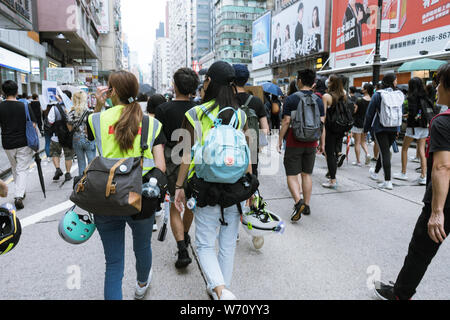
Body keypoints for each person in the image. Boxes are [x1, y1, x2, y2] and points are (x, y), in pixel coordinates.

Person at [87, 70, 166, 300]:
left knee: (113, 264)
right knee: (142, 248)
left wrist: (98, 106)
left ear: (111, 92)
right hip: (139, 197)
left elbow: (91, 138)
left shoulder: (97, 119)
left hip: (106, 196)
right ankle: (142, 285)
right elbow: (160, 166)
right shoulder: (151, 123)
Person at [174, 61, 250, 300]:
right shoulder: (240, 115)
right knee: (228, 243)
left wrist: (179, 186)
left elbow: (186, 154)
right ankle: (221, 290)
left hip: (205, 186)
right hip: (235, 186)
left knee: (205, 243)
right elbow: (249, 152)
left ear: (209, 82)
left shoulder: (195, 113)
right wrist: (251, 188)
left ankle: (219, 290)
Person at [374, 63, 450, 300]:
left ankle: (400, 294)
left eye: (439, 83)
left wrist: (437, 212)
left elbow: (442, 166)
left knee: (420, 251)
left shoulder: (443, 122)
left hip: (444, 200)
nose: (435, 87)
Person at [155, 68, 199, 269]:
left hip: (172, 159)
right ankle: (186, 236)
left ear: (175, 85)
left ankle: (182, 248)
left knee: (174, 204)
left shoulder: (163, 109)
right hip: (195, 158)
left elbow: (159, 141)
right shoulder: (199, 109)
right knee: (190, 201)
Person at [278, 69, 325, 221]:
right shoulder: (319, 100)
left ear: (299, 81)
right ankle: (307, 205)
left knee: (292, 174)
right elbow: (322, 124)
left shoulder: (291, 99)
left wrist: (279, 139)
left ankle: (298, 203)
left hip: (294, 140)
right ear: (313, 83)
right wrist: (321, 143)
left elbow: (286, 121)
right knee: (306, 174)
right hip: (312, 141)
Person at [0, 80, 37, 210]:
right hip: (23, 142)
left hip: (7, 143)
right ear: (17, 91)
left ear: (4, 92)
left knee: (15, 167)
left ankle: (20, 191)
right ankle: (18, 195)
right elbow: (33, 124)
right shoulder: (24, 106)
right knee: (22, 169)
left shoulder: (1, 106)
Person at [364, 73, 404, 190]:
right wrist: (398, 129)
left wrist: (366, 129)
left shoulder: (378, 95)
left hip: (380, 127)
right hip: (393, 127)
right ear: (392, 81)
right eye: (395, 80)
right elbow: (399, 113)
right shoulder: (398, 95)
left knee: (385, 153)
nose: (396, 82)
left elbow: (369, 113)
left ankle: (387, 181)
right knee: (384, 151)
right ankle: (375, 172)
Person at [394, 78, 434, 186]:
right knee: (421, 149)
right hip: (424, 126)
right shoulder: (425, 97)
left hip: (413, 127)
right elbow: (421, 111)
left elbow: (413, 113)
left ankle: (403, 172)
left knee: (405, 149)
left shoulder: (412, 97)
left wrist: (406, 117)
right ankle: (423, 176)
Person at [233, 64, 270, 177]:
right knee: (251, 179)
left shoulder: (226, 99)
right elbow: (265, 129)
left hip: (231, 148)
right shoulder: (256, 101)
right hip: (251, 148)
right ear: (246, 80)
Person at [322, 75, 348, 189]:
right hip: (341, 127)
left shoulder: (326, 96)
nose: (327, 82)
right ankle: (331, 173)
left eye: (329, 81)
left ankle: (333, 179)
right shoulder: (343, 94)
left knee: (330, 153)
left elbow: (323, 116)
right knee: (335, 152)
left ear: (331, 83)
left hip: (330, 128)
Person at [47, 92, 74, 182]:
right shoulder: (72, 107)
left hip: (56, 136)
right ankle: (68, 173)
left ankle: (58, 169)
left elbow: (50, 121)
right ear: (70, 98)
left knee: (55, 152)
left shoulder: (54, 108)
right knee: (68, 155)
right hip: (68, 136)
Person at [68, 91, 96, 177]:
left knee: (81, 162)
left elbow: (69, 129)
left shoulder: (71, 113)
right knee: (92, 162)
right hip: (88, 138)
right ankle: (92, 181)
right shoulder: (90, 112)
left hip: (76, 139)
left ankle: (82, 182)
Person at [352, 83, 374, 167]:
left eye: (363, 88)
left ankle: (358, 161)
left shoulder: (359, 100)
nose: (361, 89)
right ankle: (367, 154)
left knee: (357, 142)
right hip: (366, 123)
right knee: (363, 141)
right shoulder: (372, 100)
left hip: (358, 122)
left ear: (366, 90)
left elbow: (355, 111)